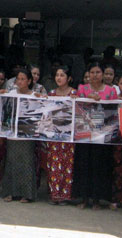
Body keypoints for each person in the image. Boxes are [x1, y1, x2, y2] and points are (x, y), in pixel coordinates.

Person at [76, 62, 118, 210]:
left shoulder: (111, 91)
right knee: (84, 164)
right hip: (84, 133)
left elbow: (114, 111)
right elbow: (77, 108)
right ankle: (84, 198)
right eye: (92, 72)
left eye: (98, 72)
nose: (95, 75)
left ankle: (97, 200)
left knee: (99, 165)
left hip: (102, 135)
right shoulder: (82, 89)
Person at [2, 69, 37, 203]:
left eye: (23, 79)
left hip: (27, 133)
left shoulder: (35, 95)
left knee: (26, 162)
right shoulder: (11, 93)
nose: (20, 81)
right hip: (12, 132)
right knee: (11, 161)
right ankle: (10, 192)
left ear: (29, 81)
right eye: (18, 79)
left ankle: (26, 194)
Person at [45, 66, 77, 205]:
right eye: (57, 75)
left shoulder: (74, 93)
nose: (59, 78)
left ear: (69, 78)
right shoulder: (51, 93)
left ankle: (65, 194)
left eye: (62, 75)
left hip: (69, 135)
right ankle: (54, 193)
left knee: (67, 164)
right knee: (53, 162)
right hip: (54, 134)